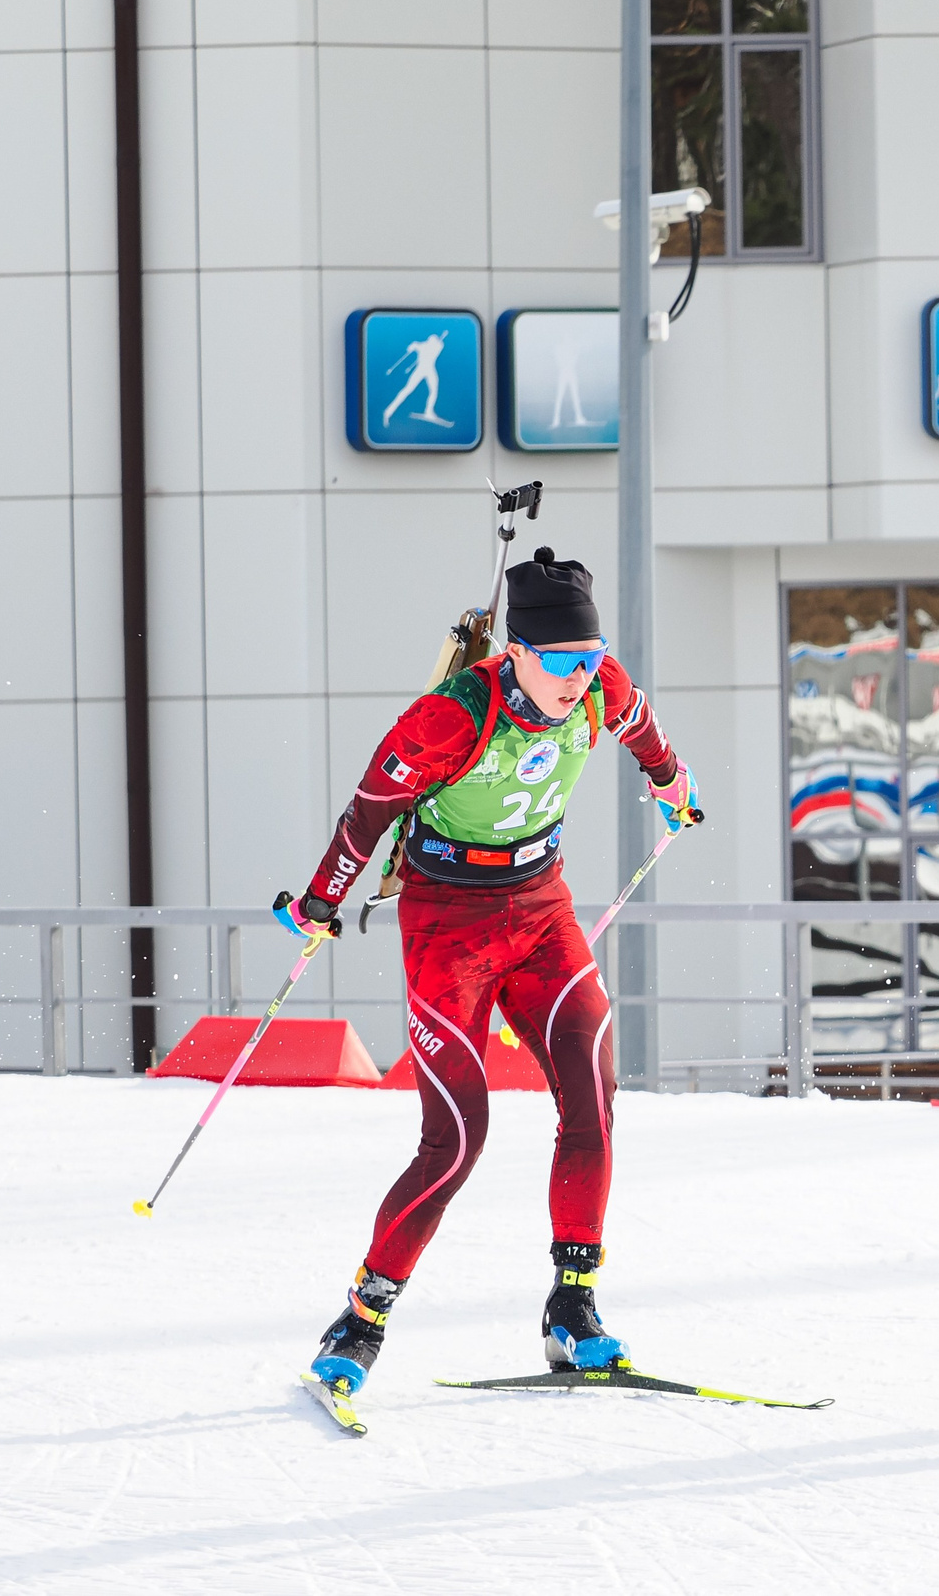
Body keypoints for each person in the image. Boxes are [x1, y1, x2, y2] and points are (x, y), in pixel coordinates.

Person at [290, 548, 702, 1399]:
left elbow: (644, 731)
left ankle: (573, 1305)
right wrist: (321, 899)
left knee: (593, 1089)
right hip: (449, 922)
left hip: (542, 906)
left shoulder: (600, 685)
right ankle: (363, 1317)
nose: (578, 679)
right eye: (560, 662)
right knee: (456, 1136)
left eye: (589, 660)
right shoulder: (450, 715)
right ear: (517, 652)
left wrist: (672, 783)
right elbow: (370, 810)